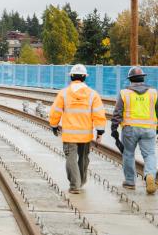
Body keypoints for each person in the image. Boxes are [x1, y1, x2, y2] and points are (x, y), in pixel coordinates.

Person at [48, 64, 106, 194]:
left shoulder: (64, 93)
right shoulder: (93, 94)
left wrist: (54, 125)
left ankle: (75, 184)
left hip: (69, 135)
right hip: (85, 135)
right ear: (85, 77)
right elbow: (99, 114)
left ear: (71, 76)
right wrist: (100, 131)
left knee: (71, 158)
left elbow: (55, 111)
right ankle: (81, 181)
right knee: (84, 158)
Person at [110, 66, 158, 194]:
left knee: (128, 154)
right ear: (143, 77)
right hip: (149, 129)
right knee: (149, 155)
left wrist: (114, 128)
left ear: (130, 80)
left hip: (129, 129)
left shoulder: (124, 93)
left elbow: (117, 113)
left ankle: (130, 182)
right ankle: (150, 176)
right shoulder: (154, 92)